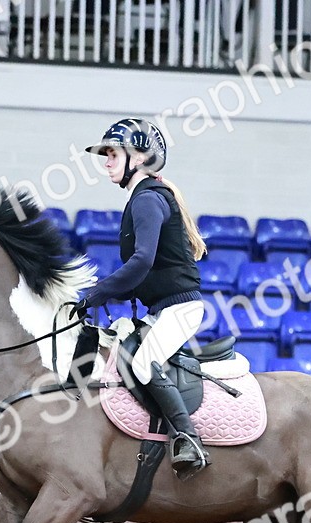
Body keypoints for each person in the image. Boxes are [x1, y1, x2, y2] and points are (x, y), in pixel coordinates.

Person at [77, 118, 211, 480]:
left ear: (138, 157)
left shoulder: (148, 199)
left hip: (180, 308)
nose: (105, 161)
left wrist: (98, 292)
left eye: (111, 153)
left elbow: (142, 262)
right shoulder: (143, 198)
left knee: (141, 364)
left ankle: (189, 439)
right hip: (163, 308)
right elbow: (146, 274)